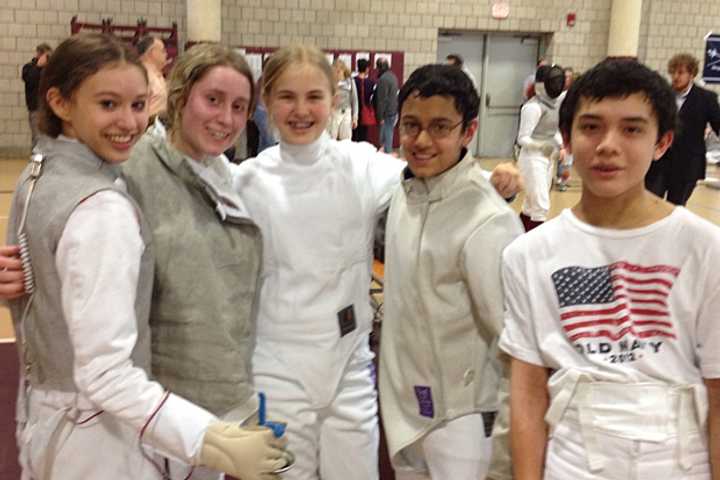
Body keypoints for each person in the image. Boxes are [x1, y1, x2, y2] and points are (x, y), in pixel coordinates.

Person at [1, 44, 521, 480]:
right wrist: (35, 269)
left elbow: (429, 180)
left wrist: (492, 181)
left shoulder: (360, 166)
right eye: (286, 97)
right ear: (267, 104)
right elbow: (81, 204)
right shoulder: (240, 179)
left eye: (314, 96)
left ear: (331, 99)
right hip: (271, 364)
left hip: (349, 364)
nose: (301, 109)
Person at [6, 33, 286, 480]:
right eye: (108, 104)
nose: (128, 122)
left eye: (137, 105)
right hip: (126, 419)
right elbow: (106, 373)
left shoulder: (51, 172)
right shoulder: (109, 194)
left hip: (101, 415)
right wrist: (209, 440)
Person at [500, 58, 720, 479]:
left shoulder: (705, 249)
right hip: (573, 462)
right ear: (567, 138)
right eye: (591, 127)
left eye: (632, 129)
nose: (608, 145)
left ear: (663, 141)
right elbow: (528, 393)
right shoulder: (527, 255)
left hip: (677, 462)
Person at [378, 64, 522, 480]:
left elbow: (512, 337)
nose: (422, 140)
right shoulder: (405, 192)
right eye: (411, 126)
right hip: (407, 402)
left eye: (440, 127)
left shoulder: (488, 221)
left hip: (463, 416)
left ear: (468, 131)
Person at [645, 53, 720, 206]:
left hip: (687, 164)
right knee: (651, 203)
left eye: (680, 72)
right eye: (673, 72)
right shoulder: (660, 95)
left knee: (676, 207)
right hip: (660, 161)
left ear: (691, 74)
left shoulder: (706, 98)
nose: (675, 77)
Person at [516, 64, 566, 231]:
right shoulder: (532, 107)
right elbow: (522, 138)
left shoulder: (555, 105)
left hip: (547, 158)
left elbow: (553, 130)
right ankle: (535, 245)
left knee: (531, 206)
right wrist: (541, 146)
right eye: (553, 82)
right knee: (540, 206)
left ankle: (519, 237)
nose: (557, 86)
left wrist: (561, 146)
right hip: (531, 158)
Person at [22, 43, 52, 149]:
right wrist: (38, 67)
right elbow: (30, 80)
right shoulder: (28, 67)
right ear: (39, 54)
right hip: (36, 109)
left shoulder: (50, 69)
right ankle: (36, 164)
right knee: (38, 139)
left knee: (50, 139)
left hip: (49, 109)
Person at [136, 35, 168, 124]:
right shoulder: (141, 76)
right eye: (163, 50)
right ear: (151, 53)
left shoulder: (158, 74)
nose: (166, 54)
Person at [327, 59, 358, 140]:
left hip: (346, 111)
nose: (337, 73)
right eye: (335, 70)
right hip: (333, 113)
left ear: (344, 70)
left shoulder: (350, 81)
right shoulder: (330, 82)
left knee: (346, 140)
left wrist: (355, 117)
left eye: (339, 70)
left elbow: (355, 100)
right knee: (331, 138)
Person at [374, 57, 399, 153]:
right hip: (393, 110)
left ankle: (387, 156)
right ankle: (387, 153)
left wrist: (380, 117)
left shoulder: (383, 79)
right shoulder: (393, 76)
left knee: (385, 137)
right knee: (389, 135)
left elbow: (381, 100)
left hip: (386, 113)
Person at [353, 58, 375, 143]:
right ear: (366, 69)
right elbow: (372, 98)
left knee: (354, 135)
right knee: (363, 136)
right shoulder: (370, 82)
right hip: (365, 111)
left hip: (354, 111)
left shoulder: (353, 81)